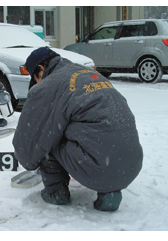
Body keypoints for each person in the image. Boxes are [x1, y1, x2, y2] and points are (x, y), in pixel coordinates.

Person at [12, 47, 143, 211]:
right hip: (131, 164)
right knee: (93, 135)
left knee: (48, 137)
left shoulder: (50, 84)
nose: (38, 82)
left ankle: (56, 192)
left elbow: (30, 140)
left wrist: (28, 160)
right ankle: (109, 193)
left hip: (98, 168)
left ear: (41, 69)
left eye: (35, 77)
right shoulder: (86, 73)